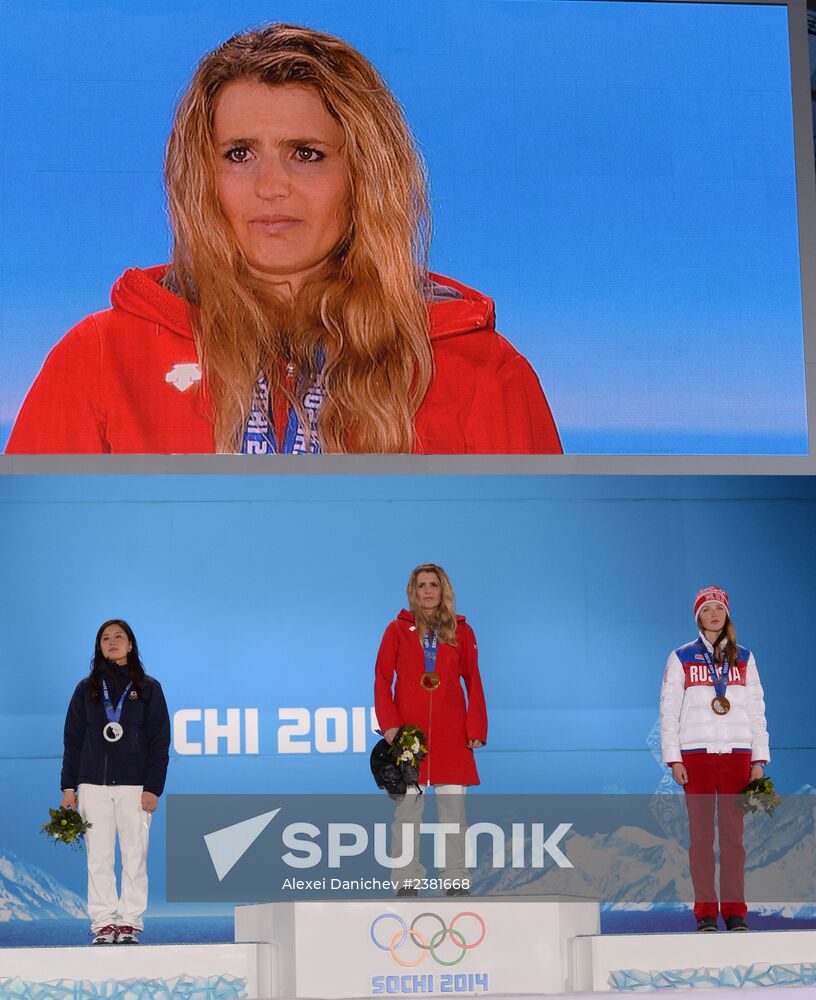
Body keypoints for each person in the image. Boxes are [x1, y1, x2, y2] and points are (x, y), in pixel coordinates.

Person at [6, 24, 561, 456]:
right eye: (239, 154)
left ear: (362, 176)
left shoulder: (482, 369)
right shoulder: (99, 359)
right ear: (202, 176)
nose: (271, 187)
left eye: (306, 154)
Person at [659, 586, 770, 932]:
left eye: (718, 609)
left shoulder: (745, 658)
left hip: (738, 754)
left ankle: (735, 911)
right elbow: (668, 710)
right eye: (706, 609)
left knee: (735, 840)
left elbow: (757, 711)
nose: (713, 615)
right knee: (702, 839)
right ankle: (705, 911)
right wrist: (674, 758)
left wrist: (759, 760)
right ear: (698, 617)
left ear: (727, 615)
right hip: (697, 756)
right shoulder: (681, 658)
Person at [374, 564, 487, 895]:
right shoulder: (396, 630)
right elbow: (382, 680)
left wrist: (475, 725)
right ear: (413, 590)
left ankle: (455, 878)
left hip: (452, 736)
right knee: (408, 812)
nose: (427, 591)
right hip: (410, 736)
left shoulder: (461, 632)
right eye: (421, 585)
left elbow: (474, 681)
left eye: (433, 585)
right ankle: (407, 879)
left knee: (454, 814)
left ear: (443, 590)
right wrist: (391, 727)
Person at [60, 620, 170, 944]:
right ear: (99, 647)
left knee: (135, 855)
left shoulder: (149, 688)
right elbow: (73, 739)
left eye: (118, 636)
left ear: (131, 644)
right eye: (105, 638)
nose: (112, 642)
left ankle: (130, 922)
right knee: (99, 857)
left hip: (136, 786)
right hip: (92, 786)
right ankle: (103, 923)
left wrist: (153, 787)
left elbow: (160, 740)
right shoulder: (86, 689)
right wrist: (69, 787)